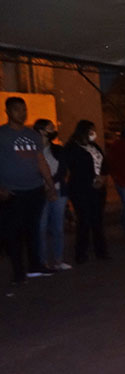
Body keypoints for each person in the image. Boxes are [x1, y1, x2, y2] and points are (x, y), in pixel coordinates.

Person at [0, 97, 58, 285]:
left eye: (24, 109)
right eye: (17, 109)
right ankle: (18, 272)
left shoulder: (32, 135)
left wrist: (50, 185)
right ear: (8, 111)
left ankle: (35, 266)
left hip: (34, 190)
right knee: (13, 233)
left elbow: (40, 160)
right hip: (12, 193)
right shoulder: (2, 134)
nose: (22, 113)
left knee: (33, 230)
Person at [64, 120, 109, 264]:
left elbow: (103, 163)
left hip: (98, 189)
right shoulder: (72, 148)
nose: (93, 133)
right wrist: (92, 180)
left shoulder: (94, 146)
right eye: (91, 130)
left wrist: (102, 177)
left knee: (97, 220)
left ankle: (100, 251)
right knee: (84, 220)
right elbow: (75, 168)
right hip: (81, 189)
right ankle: (81, 253)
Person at [33, 119, 70, 271]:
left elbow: (62, 171)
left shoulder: (58, 150)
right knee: (41, 228)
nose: (53, 130)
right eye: (50, 128)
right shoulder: (32, 151)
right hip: (39, 192)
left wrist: (51, 185)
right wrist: (45, 187)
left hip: (58, 191)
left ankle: (58, 260)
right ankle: (43, 261)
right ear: (41, 131)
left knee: (58, 228)